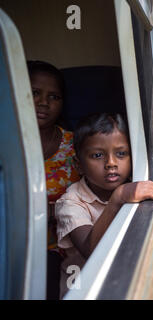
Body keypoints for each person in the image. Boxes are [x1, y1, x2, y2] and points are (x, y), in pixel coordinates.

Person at [55, 113, 153, 298]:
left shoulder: (135, 185)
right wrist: (118, 198)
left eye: (121, 153)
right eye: (98, 155)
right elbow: (91, 251)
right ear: (79, 165)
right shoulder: (70, 203)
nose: (111, 163)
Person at [27, 60, 80, 299]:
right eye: (34, 93)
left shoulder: (76, 146)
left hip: (63, 250)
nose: (43, 102)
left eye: (54, 97)